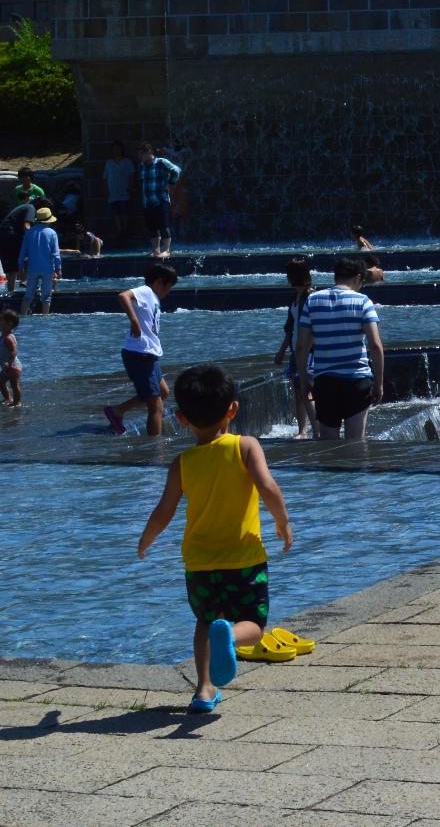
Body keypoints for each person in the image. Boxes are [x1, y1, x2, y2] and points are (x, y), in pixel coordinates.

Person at [135, 364, 294, 714]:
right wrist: (282, 522)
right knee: (254, 623)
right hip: (245, 558)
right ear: (233, 409)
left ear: (181, 418)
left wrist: (146, 539)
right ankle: (233, 639)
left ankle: (205, 690)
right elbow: (268, 487)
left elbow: (163, 511)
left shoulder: (182, 462)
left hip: (200, 563)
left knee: (205, 622)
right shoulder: (246, 447)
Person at [295, 257, 384, 441]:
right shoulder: (363, 301)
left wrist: (304, 380)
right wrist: (379, 383)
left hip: (325, 381)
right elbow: (375, 346)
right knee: (356, 443)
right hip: (357, 380)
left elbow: (302, 346)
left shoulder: (312, 300)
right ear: (358, 278)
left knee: (328, 444)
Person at [104, 262, 180, 435]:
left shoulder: (152, 297)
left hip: (148, 353)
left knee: (162, 392)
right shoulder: (146, 291)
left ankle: (117, 411)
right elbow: (123, 296)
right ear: (159, 282)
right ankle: (155, 449)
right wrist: (134, 321)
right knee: (155, 405)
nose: (169, 292)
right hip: (139, 354)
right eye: (169, 287)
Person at [273, 259, 315, 438]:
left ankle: (317, 429)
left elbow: (315, 326)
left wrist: (307, 350)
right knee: (299, 392)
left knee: (306, 390)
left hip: (308, 351)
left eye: (289, 275)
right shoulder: (294, 298)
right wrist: (282, 350)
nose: (287, 278)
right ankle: (302, 431)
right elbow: (289, 328)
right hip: (295, 350)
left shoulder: (311, 295)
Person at [136, 144, 183, 259]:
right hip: (147, 201)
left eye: (141, 154)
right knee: (151, 226)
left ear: (148, 152)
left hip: (161, 199)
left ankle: (166, 250)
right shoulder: (141, 166)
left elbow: (176, 170)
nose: (139, 157)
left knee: (163, 225)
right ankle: (156, 250)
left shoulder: (161, 162)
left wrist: (170, 183)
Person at [17, 205, 63, 313]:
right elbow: (56, 253)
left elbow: (22, 253)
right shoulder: (52, 233)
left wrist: (20, 267)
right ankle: (45, 319)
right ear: (48, 220)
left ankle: (23, 317)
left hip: (32, 269)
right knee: (46, 296)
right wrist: (58, 268)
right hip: (47, 269)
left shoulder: (29, 233)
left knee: (28, 295)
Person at [0, 203, 35, 285]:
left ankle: (10, 292)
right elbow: (26, 226)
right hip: (12, 236)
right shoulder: (31, 208)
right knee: (29, 254)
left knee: (12, 268)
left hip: (2, 237)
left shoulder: (21, 209)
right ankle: (24, 280)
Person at [103, 140, 137, 240]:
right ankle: (119, 230)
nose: (116, 151)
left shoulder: (127, 162)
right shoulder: (109, 163)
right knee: (116, 213)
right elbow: (105, 178)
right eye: (114, 149)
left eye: (118, 149)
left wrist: (130, 187)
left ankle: (125, 230)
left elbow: (132, 175)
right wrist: (105, 190)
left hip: (124, 191)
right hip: (112, 192)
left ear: (122, 150)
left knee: (124, 211)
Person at [0, 310, 23, 406]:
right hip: (6, 367)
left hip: (13, 366)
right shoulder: (2, 337)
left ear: (9, 323)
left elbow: (14, 351)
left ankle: (17, 402)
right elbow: (3, 350)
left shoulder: (8, 338)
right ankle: (8, 398)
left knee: (14, 385)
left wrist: (9, 362)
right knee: (0, 382)